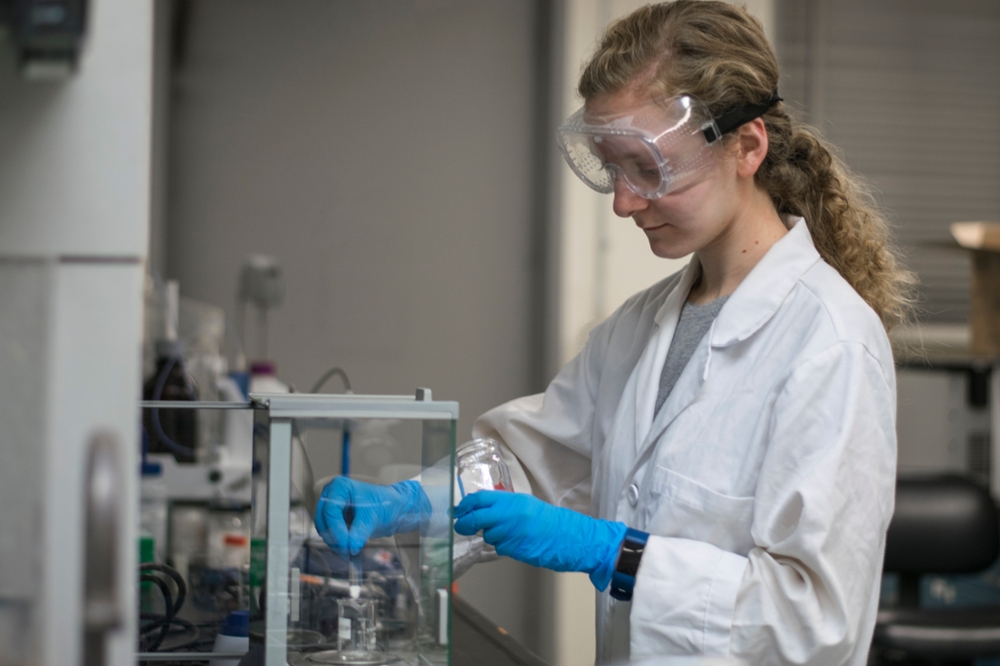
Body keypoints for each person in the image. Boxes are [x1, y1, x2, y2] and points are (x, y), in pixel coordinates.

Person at [316, 1, 915, 663]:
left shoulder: (830, 342)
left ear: (747, 147)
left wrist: (616, 556)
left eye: (649, 168)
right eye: (611, 168)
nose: (624, 202)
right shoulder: (642, 324)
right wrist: (407, 505)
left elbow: (815, 623)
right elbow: (529, 463)